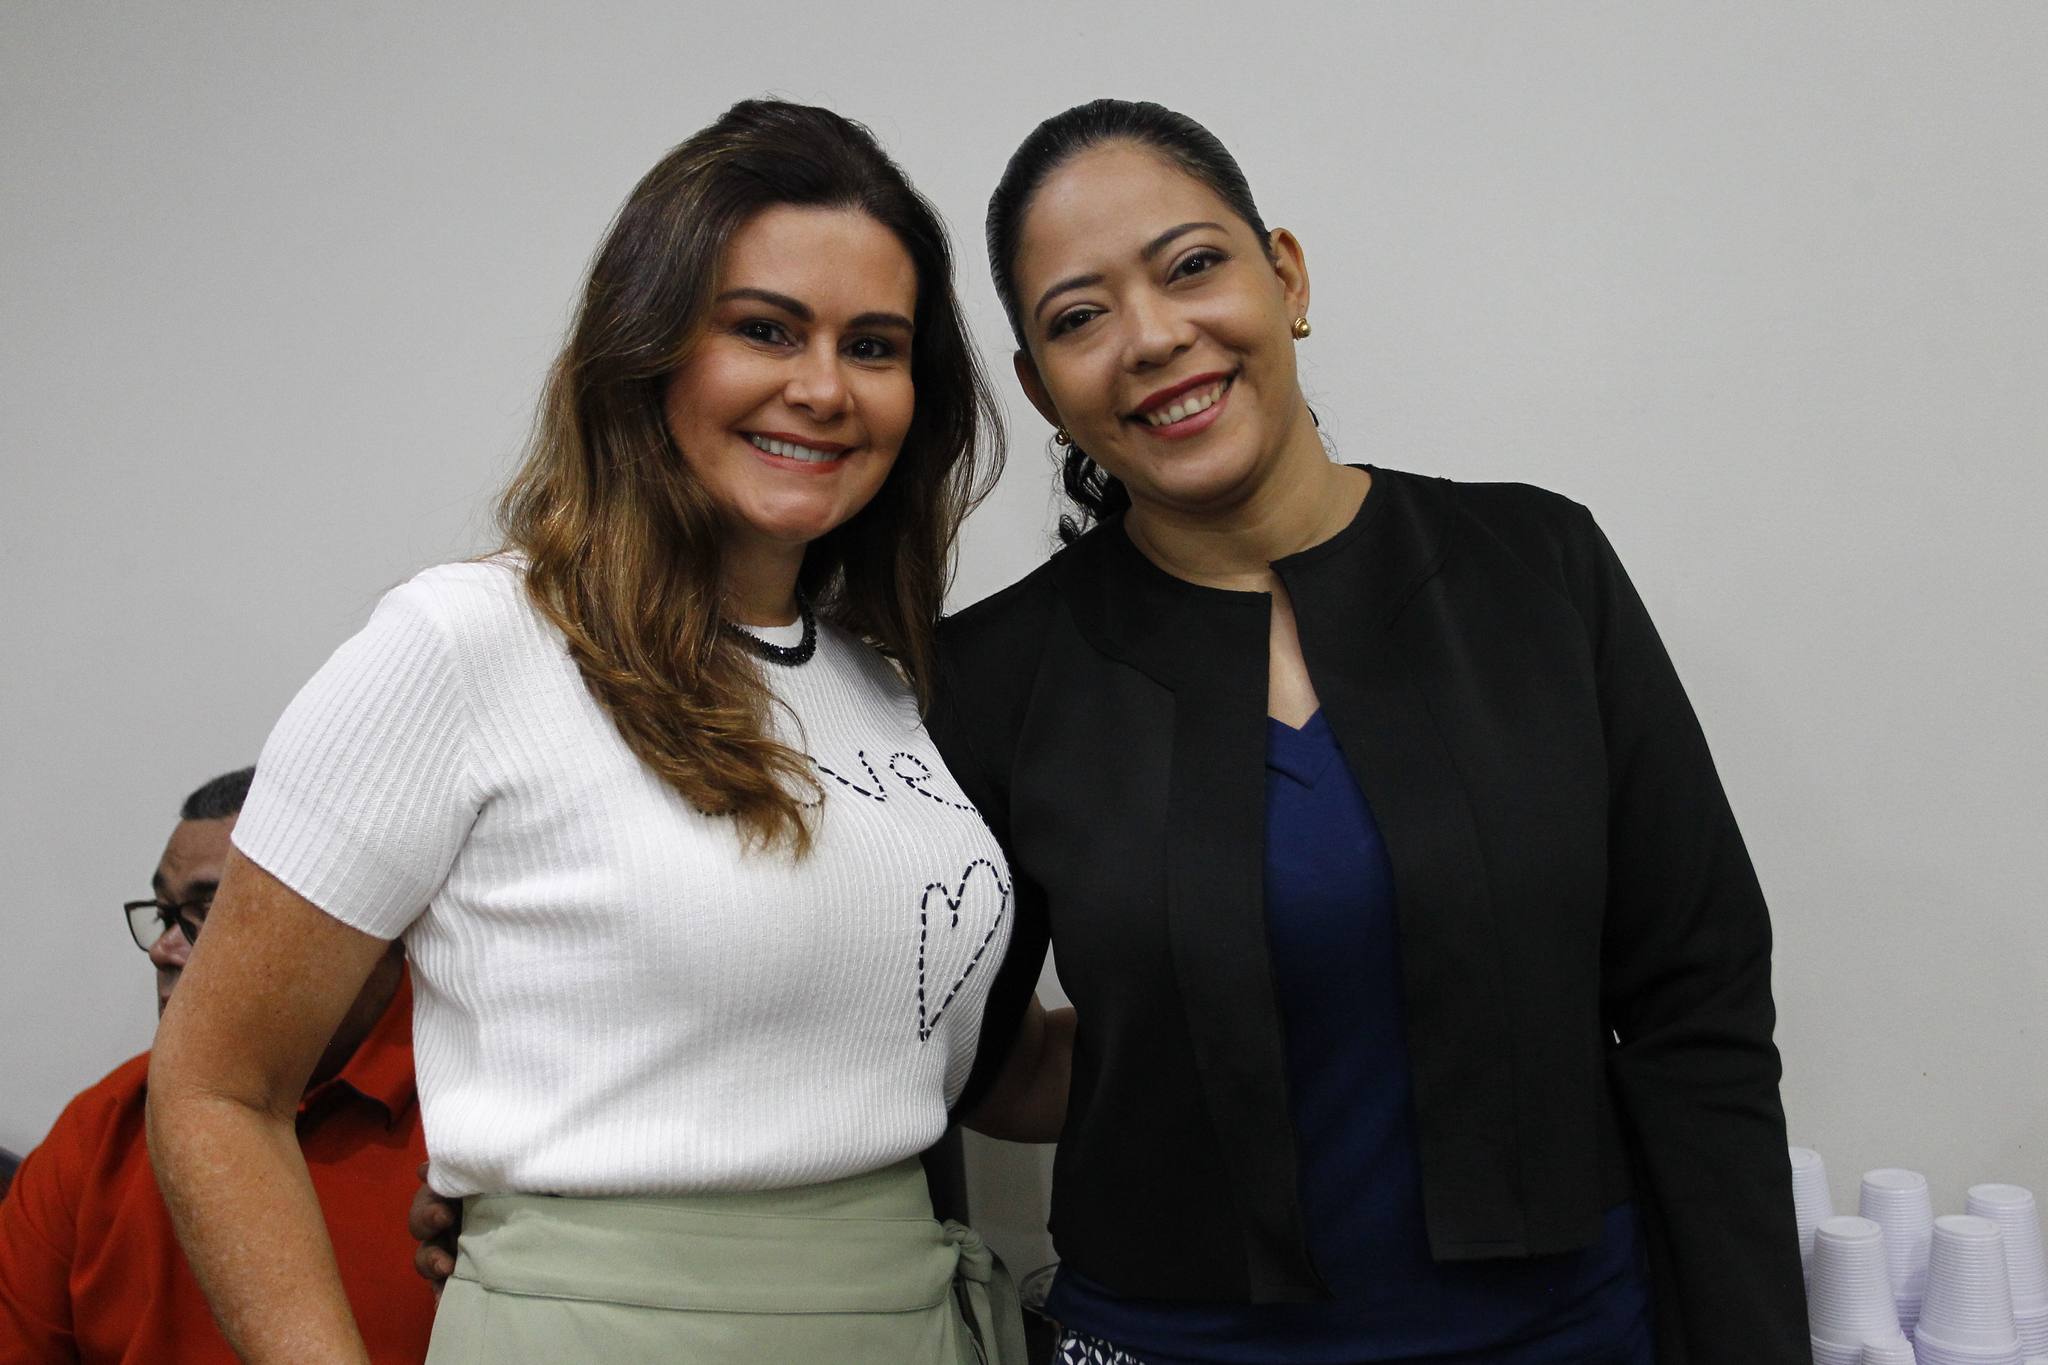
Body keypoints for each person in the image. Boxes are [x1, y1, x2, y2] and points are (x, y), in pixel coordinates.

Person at [146, 100, 1032, 1364]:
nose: (822, 387)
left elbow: (936, 1060)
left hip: (910, 1320)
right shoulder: (464, 644)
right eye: (763, 329)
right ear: (645, 348)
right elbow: (215, 1090)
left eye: (873, 346)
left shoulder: (880, 682)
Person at [929, 99, 1810, 1364]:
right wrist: (1183, 1052)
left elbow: (1697, 1006)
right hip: (1175, 1345)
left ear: (1284, 278)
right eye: (1078, 318)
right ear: (1039, 389)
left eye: (1191, 265)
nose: (1153, 336)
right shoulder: (992, 676)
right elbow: (964, 1056)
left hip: (1562, 1337)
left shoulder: (1535, 569)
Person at [0, 767, 429, 1364]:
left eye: (210, 909)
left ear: (365, 922)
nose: (162, 948)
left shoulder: (481, 1124)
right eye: (163, 913)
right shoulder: (103, 1129)